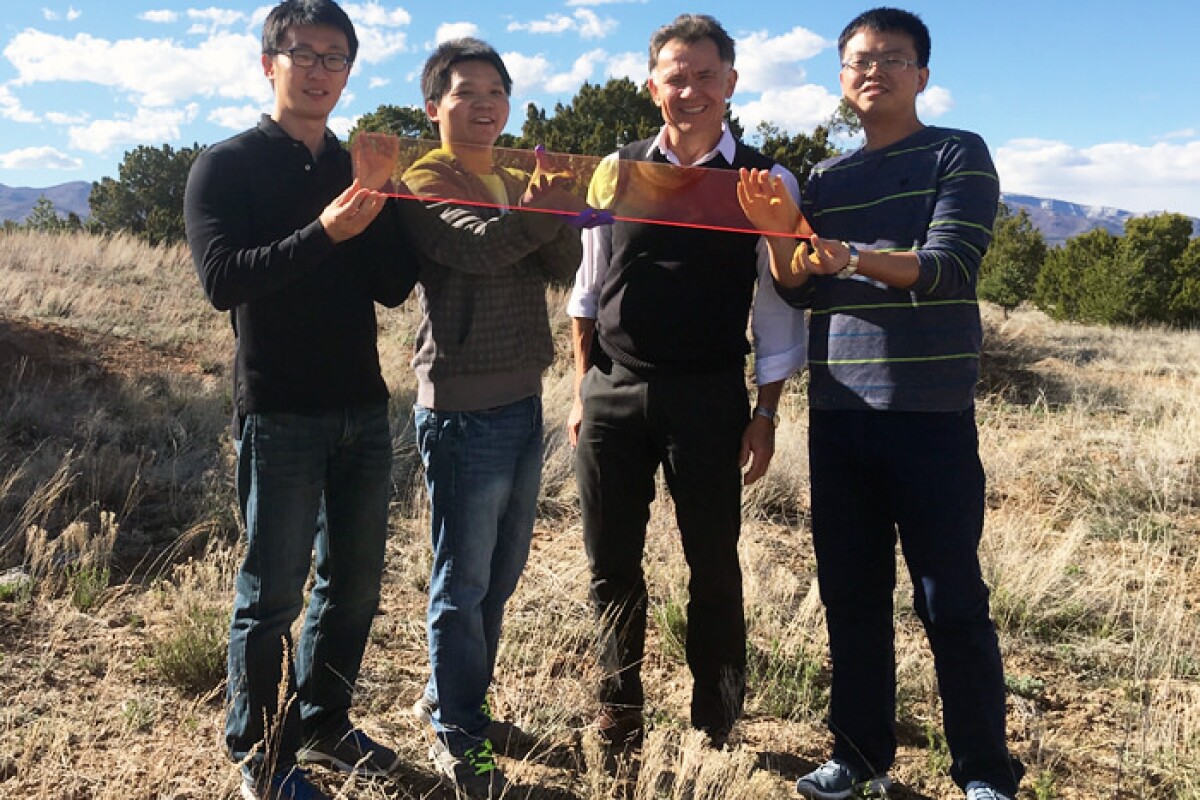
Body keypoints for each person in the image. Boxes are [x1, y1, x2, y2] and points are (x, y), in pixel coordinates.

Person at [184, 4, 580, 798]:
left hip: (363, 405)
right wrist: (327, 231)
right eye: (306, 54)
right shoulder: (223, 166)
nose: (322, 71)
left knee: (354, 582)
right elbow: (223, 281)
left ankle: (325, 722)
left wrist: (373, 213)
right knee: (270, 594)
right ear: (270, 62)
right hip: (278, 408)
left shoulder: (356, 164)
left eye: (337, 58)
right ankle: (261, 757)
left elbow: (395, 286)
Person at [736, 7, 1024, 800]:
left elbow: (949, 267)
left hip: (928, 418)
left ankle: (984, 772)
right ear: (841, 80)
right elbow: (798, 279)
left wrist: (853, 257)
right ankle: (858, 758)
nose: (874, 71)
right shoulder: (827, 179)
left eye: (892, 59)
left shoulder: (956, 153)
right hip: (839, 417)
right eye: (859, 60)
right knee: (851, 597)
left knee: (949, 600)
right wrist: (775, 232)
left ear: (922, 76)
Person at [567, 13, 807, 750]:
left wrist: (764, 412)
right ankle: (620, 707)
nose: (691, 88)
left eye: (707, 75)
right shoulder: (617, 169)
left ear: (731, 83)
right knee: (610, 560)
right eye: (676, 75)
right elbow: (587, 288)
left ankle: (719, 717)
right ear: (652, 87)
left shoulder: (764, 181)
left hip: (708, 397)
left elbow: (777, 308)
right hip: (614, 389)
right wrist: (583, 392)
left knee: (713, 561)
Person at [402, 38, 588, 799]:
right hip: (460, 411)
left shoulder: (513, 178)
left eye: (495, 92)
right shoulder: (423, 179)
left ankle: (456, 704)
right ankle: (460, 735)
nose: (484, 105)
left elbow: (565, 265)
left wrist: (554, 213)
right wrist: (547, 207)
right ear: (433, 107)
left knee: (499, 578)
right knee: (462, 581)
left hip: (519, 400)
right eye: (465, 91)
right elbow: (478, 251)